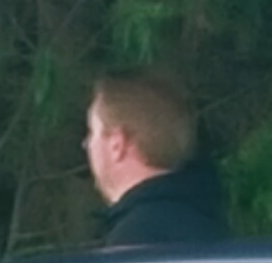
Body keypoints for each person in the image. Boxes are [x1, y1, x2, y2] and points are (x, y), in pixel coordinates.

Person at [85, 72, 229, 249]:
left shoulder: (134, 240)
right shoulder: (211, 222)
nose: (87, 145)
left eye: (92, 132)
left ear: (117, 145)